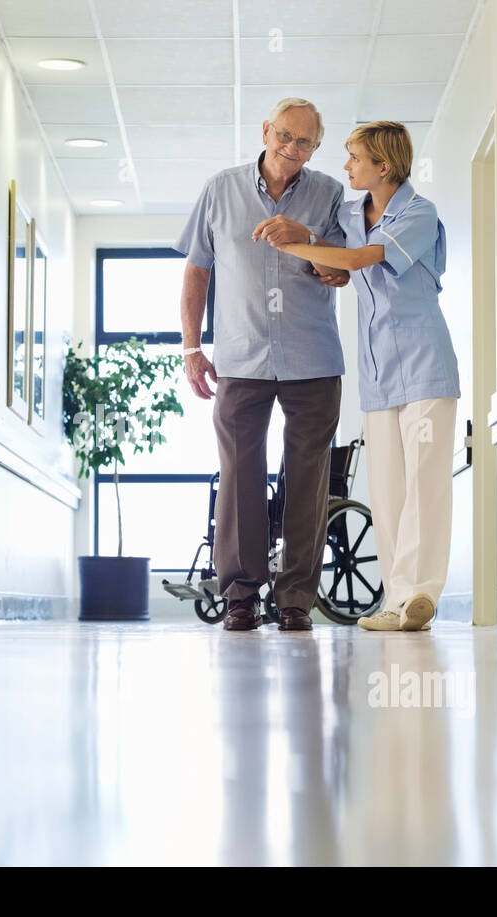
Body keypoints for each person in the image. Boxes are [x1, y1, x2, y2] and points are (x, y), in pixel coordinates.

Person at [265, 121, 460, 632]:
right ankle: (395, 602)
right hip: (377, 373)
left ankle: (421, 594)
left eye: (354, 158)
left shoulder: (418, 213)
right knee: (389, 489)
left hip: (425, 366)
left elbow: (355, 258)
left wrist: (295, 244)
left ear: (384, 166)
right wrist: (313, 246)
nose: (346, 166)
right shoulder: (353, 213)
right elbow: (337, 260)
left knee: (426, 484)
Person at [174, 97, 350, 633]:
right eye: (284, 136)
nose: (291, 149)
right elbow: (197, 272)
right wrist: (190, 348)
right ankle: (241, 596)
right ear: (266, 131)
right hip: (240, 359)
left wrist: (308, 240)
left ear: (316, 147)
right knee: (239, 477)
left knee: (307, 480)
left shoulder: (329, 193)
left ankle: (296, 599)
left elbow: (341, 273)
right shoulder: (220, 190)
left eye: (305, 142)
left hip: (313, 359)